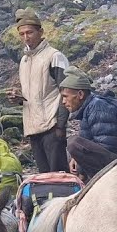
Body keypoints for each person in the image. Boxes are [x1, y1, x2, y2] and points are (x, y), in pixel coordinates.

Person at [14, 9, 71, 173]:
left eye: (30, 32)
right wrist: (18, 99)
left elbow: (65, 90)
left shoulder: (54, 56)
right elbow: (32, 94)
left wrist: (61, 125)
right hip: (33, 127)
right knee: (44, 175)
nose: (26, 37)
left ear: (40, 31)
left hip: (51, 126)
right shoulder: (24, 60)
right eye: (22, 34)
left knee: (59, 174)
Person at [59, 68, 117, 181]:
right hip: (116, 155)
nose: (63, 102)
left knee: (74, 144)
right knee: (73, 151)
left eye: (65, 96)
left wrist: (80, 165)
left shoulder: (98, 108)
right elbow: (89, 141)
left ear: (80, 94)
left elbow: (108, 145)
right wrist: (76, 159)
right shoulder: (89, 107)